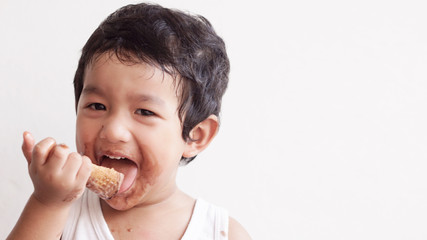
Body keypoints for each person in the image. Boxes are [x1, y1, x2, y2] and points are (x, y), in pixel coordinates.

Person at [8, 3, 251, 240]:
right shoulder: (61, 214)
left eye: (144, 112)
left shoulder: (221, 232)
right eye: (97, 106)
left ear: (195, 135)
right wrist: (45, 203)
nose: (113, 131)